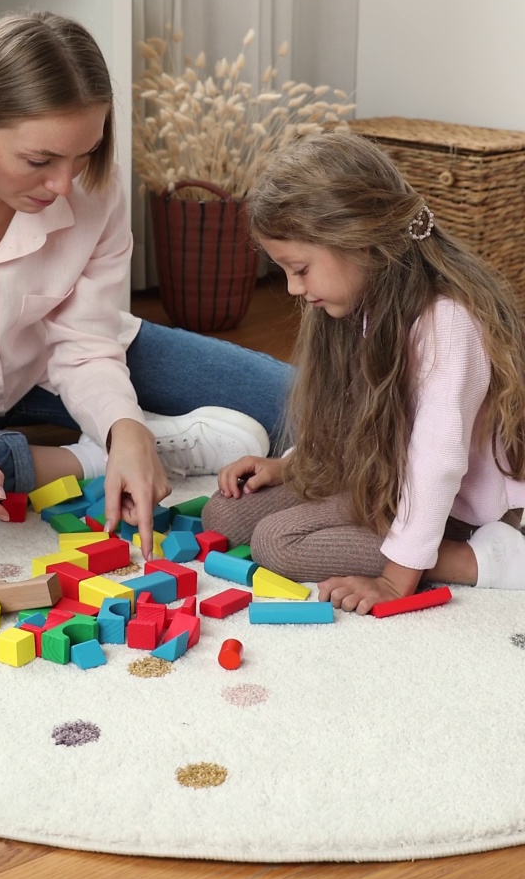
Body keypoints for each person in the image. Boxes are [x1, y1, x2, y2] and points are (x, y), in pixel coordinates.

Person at [0, 10, 294, 557]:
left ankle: (128, 442)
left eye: (82, 155)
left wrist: (121, 422)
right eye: (39, 160)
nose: (65, 184)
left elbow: (86, 346)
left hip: (63, 368)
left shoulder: (92, 185)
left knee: (298, 402)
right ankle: (106, 457)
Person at [201, 131, 525, 612]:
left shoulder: (448, 322)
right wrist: (291, 463)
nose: (292, 288)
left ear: (357, 241)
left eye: (300, 268)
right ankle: (413, 540)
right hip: (393, 482)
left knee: (277, 543)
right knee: (224, 513)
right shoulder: (359, 301)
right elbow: (351, 413)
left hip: (465, 508)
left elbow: (438, 463)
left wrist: (396, 579)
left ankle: (480, 559)